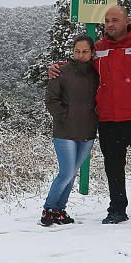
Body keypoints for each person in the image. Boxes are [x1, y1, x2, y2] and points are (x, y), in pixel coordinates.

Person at [50, 5, 131, 229]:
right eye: (106, 20)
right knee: (113, 168)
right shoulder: (99, 49)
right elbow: (79, 66)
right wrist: (56, 68)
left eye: (115, 20)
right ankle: (117, 209)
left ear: (127, 21)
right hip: (109, 121)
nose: (110, 24)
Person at [41, 35, 98, 226]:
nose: (80, 55)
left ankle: (60, 210)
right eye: (76, 51)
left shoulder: (97, 73)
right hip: (65, 132)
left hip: (87, 132)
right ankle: (49, 209)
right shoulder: (61, 72)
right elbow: (51, 100)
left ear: (92, 53)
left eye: (84, 52)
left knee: (72, 173)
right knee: (66, 173)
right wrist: (64, 116)